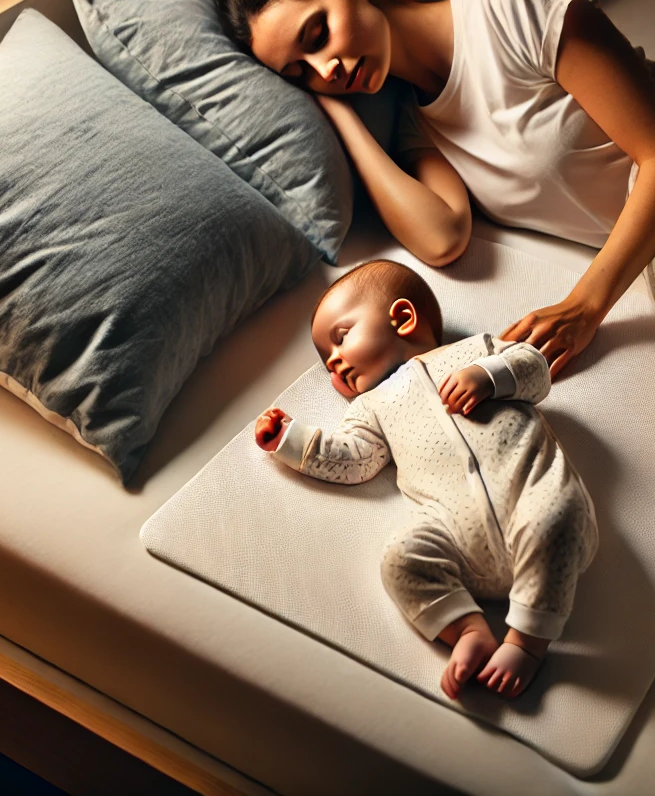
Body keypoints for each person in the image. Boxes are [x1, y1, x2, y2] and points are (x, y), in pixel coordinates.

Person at [218, 0, 655, 380]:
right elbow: (443, 237)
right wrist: (339, 114)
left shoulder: (508, 0)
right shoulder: (418, 125)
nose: (325, 70)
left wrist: (583, 308)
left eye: (317, 35)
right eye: (300, 73)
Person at [254, 259, 598, 701]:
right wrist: (290, 439)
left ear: (402, 318)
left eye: (340, 338)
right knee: (399, 557)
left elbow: (534, 368)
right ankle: (467, 629)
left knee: (555, 513)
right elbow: (355, 459)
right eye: (328, 364)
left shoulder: (475, 350)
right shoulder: (369, 408)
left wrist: (489, 377)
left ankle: (527, 642)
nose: (334, 362)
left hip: (529, 493)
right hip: (455, 535)